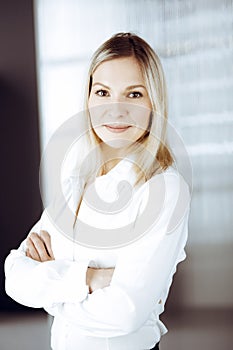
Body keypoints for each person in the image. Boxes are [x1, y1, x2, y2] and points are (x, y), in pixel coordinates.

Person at [4, 32, 191, 350]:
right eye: (103, 92)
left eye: (133, 94)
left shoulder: (163, 188)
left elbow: (125, 313)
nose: (115, 110)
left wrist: (52, 287)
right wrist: (89, 278)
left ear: (153, 103)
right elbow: (14, 275)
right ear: (88, 99)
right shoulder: (76, 182)